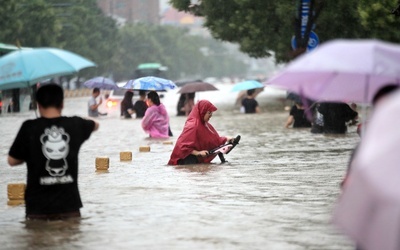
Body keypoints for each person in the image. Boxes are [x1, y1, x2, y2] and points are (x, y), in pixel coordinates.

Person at [7, 83, 99, 220]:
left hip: (37, 209)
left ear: (37, 104)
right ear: (62, 103)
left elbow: (12, 160)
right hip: (69, 208)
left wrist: (32, 152)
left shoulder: (29, 127)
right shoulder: (75, 125)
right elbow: (95, 125)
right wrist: (78, 121)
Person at [168, 100, 232, 165]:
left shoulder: (206, 125)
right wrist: (198, 153)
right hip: (185, 160)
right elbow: (182, 146)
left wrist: (226, 138)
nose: (211, 115)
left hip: (196, 160)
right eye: (209, 113)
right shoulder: (193, 125)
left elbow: (213, 141)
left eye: (211, 113)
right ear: (202, 112)